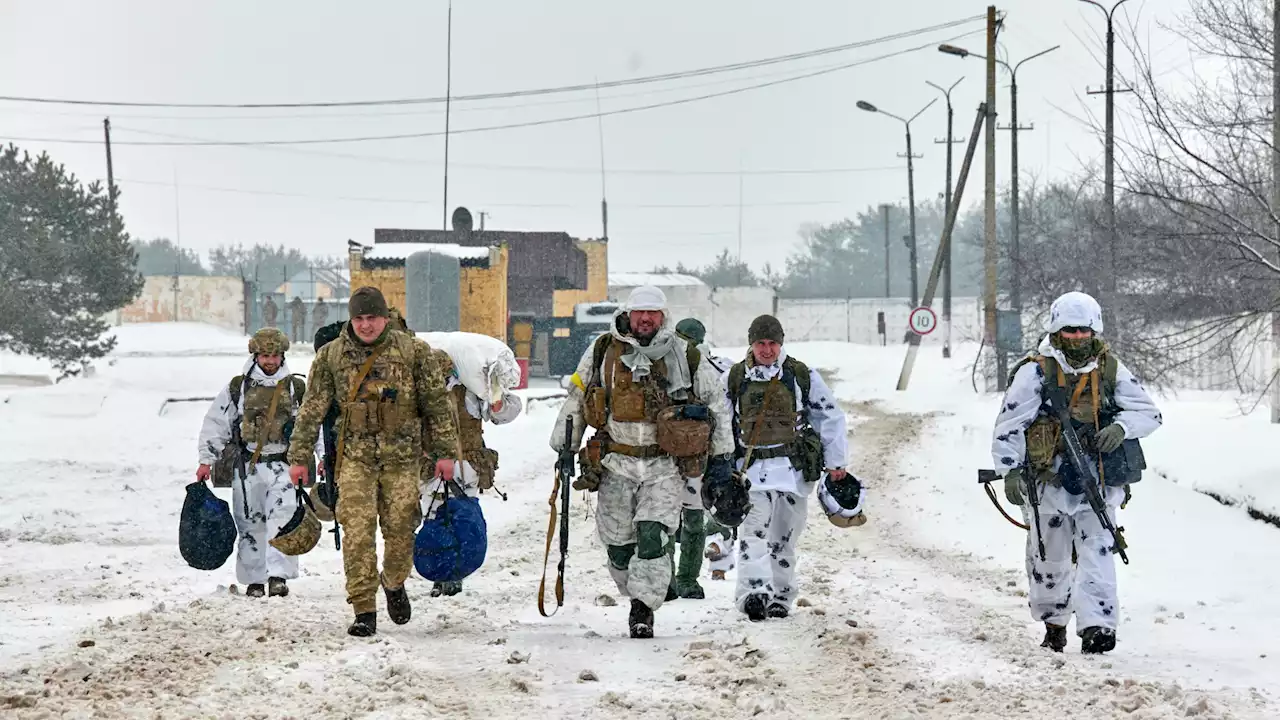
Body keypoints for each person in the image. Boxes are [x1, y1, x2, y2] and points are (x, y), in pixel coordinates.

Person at [550, 285, 734, 638]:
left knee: (651, 536)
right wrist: (565, 448)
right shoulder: (603, 350)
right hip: (616, 463)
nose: (646, 319)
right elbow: (577, 398)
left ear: (663, 317)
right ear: (629, 314)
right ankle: (641, 587)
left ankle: (642, 610)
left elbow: (716, 405)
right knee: (618, 546)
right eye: (640, 312)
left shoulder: (685, 354)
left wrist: (722, 460)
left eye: (653, 313)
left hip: (664, 467)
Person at [992, 291, 1162, 654]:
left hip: (1096, 482)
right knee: (1048, 557)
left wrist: (1121, 428)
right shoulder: (1036, 370)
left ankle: (1098, 628)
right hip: (1049, 481)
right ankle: (1054, 625)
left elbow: (1149, 413)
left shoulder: (1110, 368)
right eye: (1070, 331)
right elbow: (1010, 423)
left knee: (1099, 553)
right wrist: (1009, 471)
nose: (1078, 338)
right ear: (1057, 331)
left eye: (1084, 331)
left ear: (1095, 331)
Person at [286, 287, 459, 637]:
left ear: (385, 317)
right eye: (359, 318)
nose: (366, 325)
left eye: (372, 317)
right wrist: (299, 456)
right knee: (357, 533)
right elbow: (311, 410)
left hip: (402, 458)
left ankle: (393, 582)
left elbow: (437, 405)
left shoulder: (413, 352)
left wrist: (445, 452)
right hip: (355, 460)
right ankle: (364, 607)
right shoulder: (331, 356)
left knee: (400, 532)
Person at [726, 314, 849, 621]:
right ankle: (753, 593)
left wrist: (836, 462)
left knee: (784, 539)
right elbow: (719, 420)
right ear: (751, 344)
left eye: (772, 344)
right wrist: (718, 464)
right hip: (751, 473)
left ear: (781, 344)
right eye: (760, 344)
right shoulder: (734, 378)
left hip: (792, 473)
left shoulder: (800, 375)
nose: (766, 350)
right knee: (753, 533)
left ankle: (781, 595)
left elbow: (829, 416)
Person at [195, 327, 310, 599]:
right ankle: (254, 579)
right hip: (249, 467)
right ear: (255, 356)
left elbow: (310, 425)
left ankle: (278, 576)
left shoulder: (296, 387)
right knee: (249, 522)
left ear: (282, 356)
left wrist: (319, 456)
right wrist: (205, 460)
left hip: (285, 464)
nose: (270, 361)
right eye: (264, 355)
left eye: (274, 355)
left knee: (283, 521)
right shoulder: (239, 387)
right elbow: (217, 423)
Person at [421, 347, 522, 596]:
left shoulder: (471, 391)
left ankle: (455, 572)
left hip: (466, 467)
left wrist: (497, 400)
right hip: (430, 468)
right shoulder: (421, 393)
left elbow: (504, 412)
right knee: (434, 518)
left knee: (461, 520)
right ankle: (440, 571)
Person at [663, 317, 729, 600]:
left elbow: (718, 411)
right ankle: (674, 579)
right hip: (670, 453)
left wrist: (720, 455)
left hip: (692, 455)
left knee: (685, 520)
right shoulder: (662, 361)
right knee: (675, 520)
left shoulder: (704, 368)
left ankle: (681, 579)